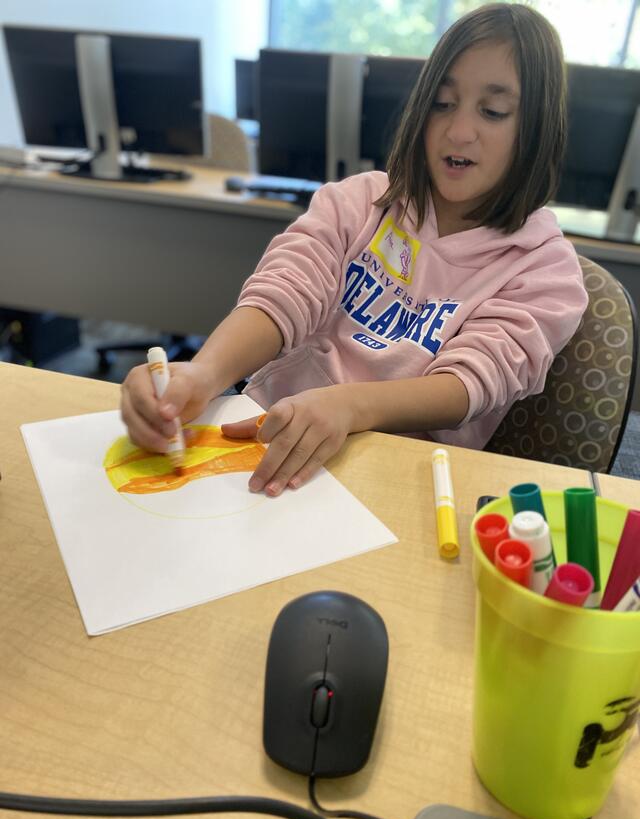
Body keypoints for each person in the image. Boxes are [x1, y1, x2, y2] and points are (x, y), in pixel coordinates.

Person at [121, 3, 588, 497]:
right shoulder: (359, 201)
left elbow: (470, 383)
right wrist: (204, 372)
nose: (458, 131)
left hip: (393, 480)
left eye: (492, 112)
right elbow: (285, 291)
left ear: (536, 129)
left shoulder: (545, 269)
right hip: (262, 437)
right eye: (442, 103)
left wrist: (349, 406)